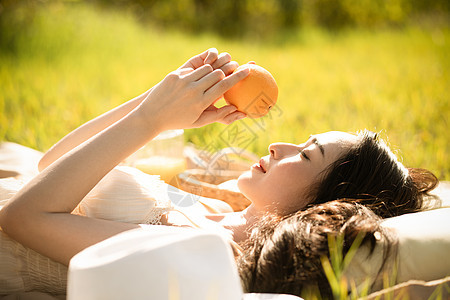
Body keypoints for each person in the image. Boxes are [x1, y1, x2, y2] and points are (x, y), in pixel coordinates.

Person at [0, 48, 438, 295]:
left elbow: (23, 217)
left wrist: (150, 122)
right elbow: (50, 164)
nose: (277, 144)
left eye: (305, 156)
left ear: (320, 205)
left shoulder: (210, 249)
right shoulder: (212, 209)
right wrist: (158, 105)